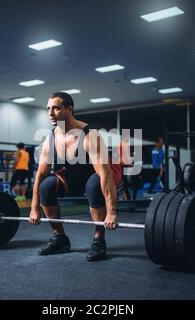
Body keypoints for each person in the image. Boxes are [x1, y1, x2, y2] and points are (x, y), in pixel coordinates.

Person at [29, 92, 122, 261]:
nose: (50, 113)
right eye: (48, 109)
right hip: (72, 179)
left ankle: (98, 239)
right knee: (46, 186)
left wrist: (112, 212)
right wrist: (34, 207)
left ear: (69, 109)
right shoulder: (51, 137)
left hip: (98, 178)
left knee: (93, 185)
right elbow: (40, 174)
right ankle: (60, 238)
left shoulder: (89, 135)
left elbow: (105, 174)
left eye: (56, 108)